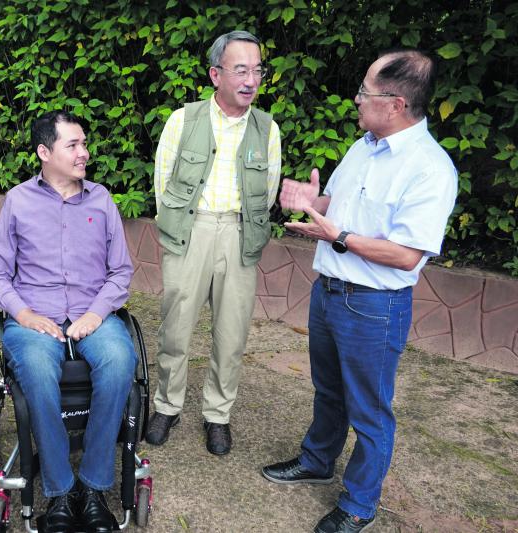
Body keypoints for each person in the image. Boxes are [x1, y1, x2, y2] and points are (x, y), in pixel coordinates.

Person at [261, 49, 457, 533]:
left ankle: (358, 504)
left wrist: (339, 238)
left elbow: (408, 254)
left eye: (365, 92)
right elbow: (339, 206)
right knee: (328, 391)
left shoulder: (430, 169)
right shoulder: (365, 146)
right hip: (329, 292)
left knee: (370, 408)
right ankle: (317, 460)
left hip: (374, 305)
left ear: (394, 103)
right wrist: (314, 202)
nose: (356, 99)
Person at [0, 111, 136, 533]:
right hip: (35, 312)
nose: (84, 152)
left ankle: (93, 485)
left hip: (92, 310)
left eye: (84, 143)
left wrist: (94, 314)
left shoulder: (101, 199)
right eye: (73, 145)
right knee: (33, 368)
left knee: (121, 362)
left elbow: (120, 271)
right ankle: (59, 490)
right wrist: (25, 314)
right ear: (44, 152)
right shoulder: (18, 201)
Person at [148, 30, 281, 455]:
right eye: (240, 69)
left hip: (240, 233)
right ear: (215, 74)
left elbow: (270, 189)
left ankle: (217, 415)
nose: (251, 79)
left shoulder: (267, 128)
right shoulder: (182, 120)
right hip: (192, 230)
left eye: (257, 69)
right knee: (176, 326)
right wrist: (181, 228)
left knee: (232, 332)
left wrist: (244, 226)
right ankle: (167, 406)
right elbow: (162, 183)